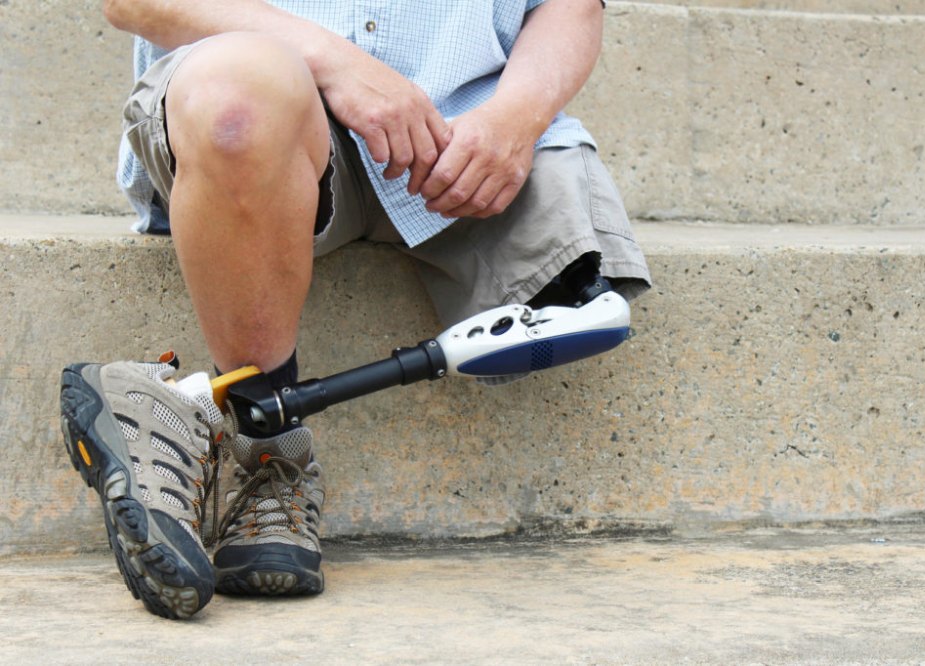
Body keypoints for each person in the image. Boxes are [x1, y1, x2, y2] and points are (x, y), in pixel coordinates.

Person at [60, 0, 651, 619]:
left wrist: (517, 118)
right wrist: (338, 64)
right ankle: (270, 450)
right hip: (269, 112)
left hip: (472, 139)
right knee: (235, 105)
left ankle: (162, 408)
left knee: (585, 306)